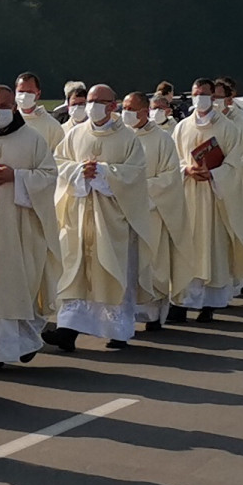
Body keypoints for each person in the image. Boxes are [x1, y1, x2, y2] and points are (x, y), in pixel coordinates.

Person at [53, 85, 146, 348]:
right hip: (79, 214)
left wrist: (104, 173)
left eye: (98, 101)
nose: (91, 106)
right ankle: (67, 330)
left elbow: (136, 175)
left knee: (112, 272)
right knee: (75, 271)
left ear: (112, 105)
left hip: (112, 218)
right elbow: (59, 164)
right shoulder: (74, 134)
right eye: (89, 101)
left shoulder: (128, 138)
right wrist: (79, 171)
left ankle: (117, 330)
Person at [0, 84, 61, 364]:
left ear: (13, 107)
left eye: (4, 106)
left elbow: (49, 176)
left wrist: (17, 177)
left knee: (15, 287)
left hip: (20, 227)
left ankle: (23, 343)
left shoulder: (33, 139)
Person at [170, 76, 243, 322]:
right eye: (196, 94)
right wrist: (186, 170)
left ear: (214, 98)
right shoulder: (182, 127)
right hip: (188, 196)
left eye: (205, 94)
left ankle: (209, 303)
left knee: (212, 248)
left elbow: (235, 164)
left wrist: (214, 174)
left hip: (216, 197)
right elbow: (173, 161)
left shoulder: (228, 128)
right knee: (187, 248)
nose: (200, 99)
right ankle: (183, 301)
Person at [124, 92, 183, 331]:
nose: (125, 112)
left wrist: (140, 190)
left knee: (152, 264)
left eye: (131, 108)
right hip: (124, 213)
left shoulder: (162, 139)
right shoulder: (120, 137)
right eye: (123, 107)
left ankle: (153, 315)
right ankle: (125, 319)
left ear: (145, 111)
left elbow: (171, 178)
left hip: (152, 212)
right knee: (129, 267)